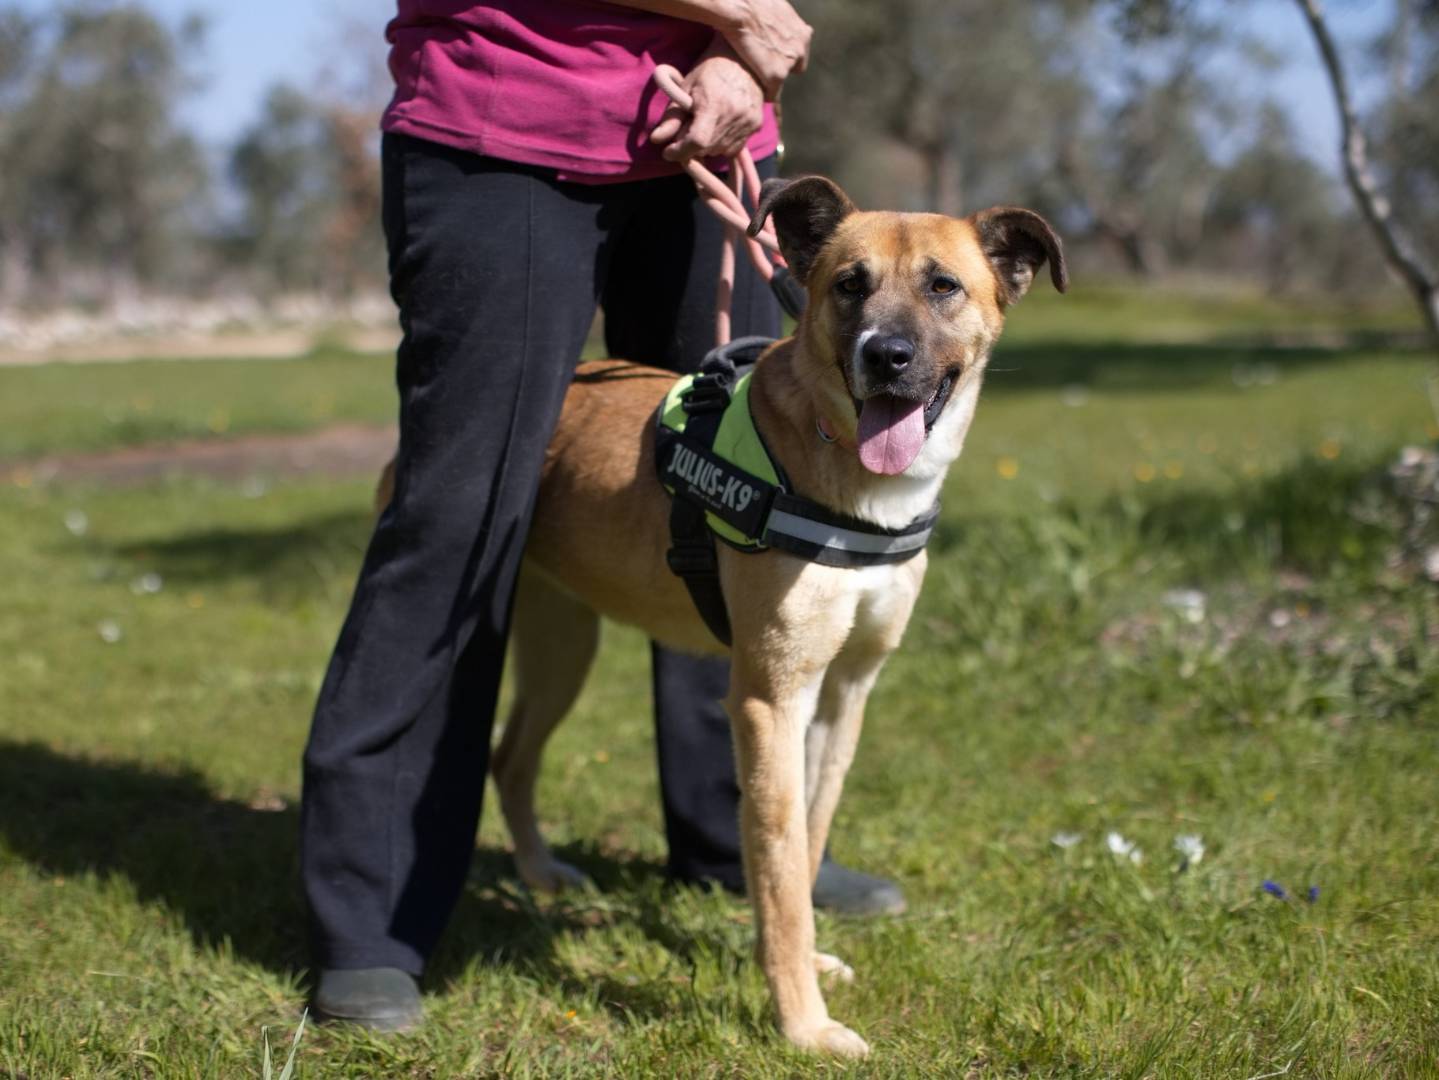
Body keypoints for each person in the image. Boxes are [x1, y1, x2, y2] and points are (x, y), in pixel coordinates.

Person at [300, 0, 904, 1031]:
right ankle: (375, 907)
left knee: (742, 509)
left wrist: (733, 59)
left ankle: (734, 851)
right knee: (459, 509)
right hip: (503, 115)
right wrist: (733, 15)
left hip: (709, 124)